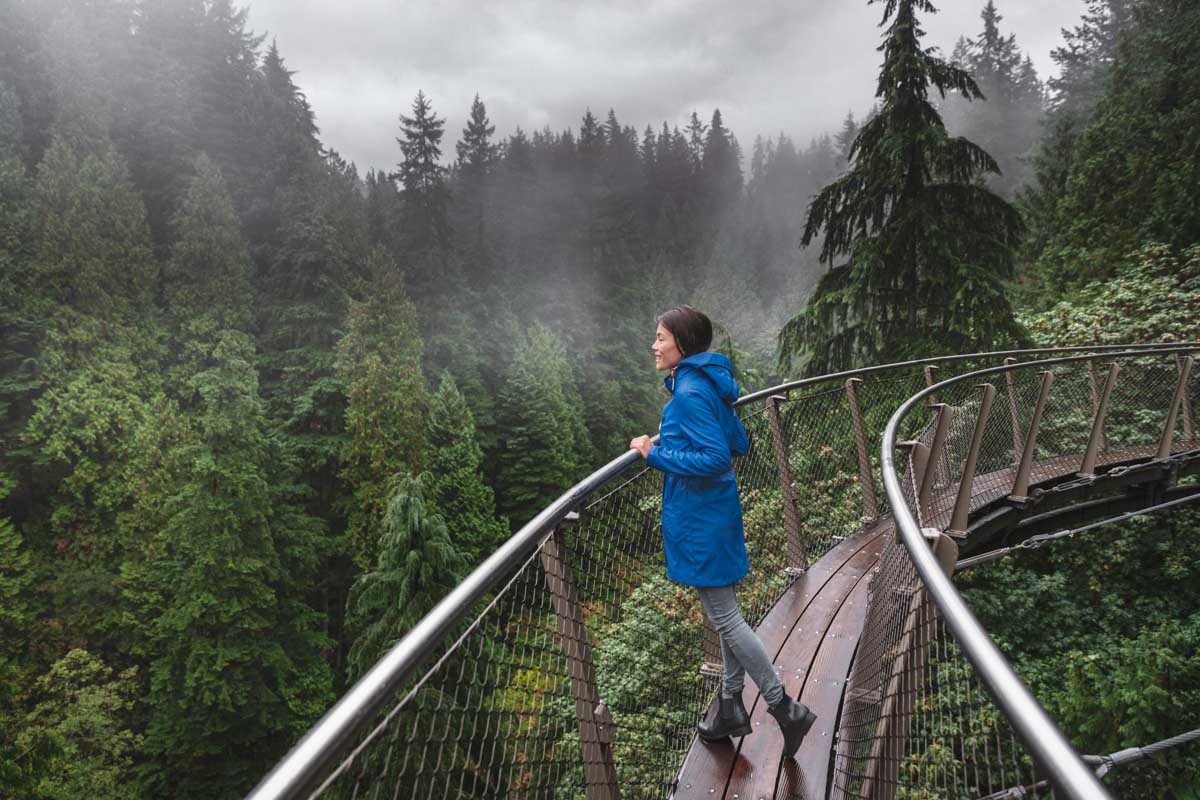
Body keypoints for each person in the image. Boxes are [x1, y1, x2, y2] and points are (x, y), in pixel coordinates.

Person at [629, 305, 816, 758]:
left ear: (683, 345)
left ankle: (783, 707)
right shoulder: (707, 382)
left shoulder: (689, 391)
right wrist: (669, 439)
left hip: (700, 520)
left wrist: (652, 454)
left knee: (725, 617)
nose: (654, 345)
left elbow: (715, 457)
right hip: (717, 511)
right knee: (725, 613)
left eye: (660, 338)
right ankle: (730, 704)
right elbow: (738, 442)